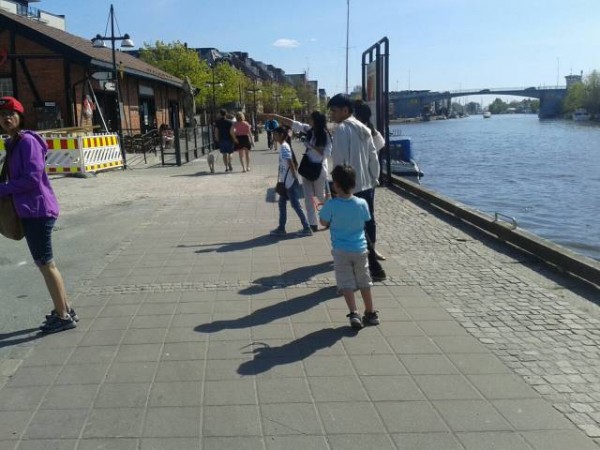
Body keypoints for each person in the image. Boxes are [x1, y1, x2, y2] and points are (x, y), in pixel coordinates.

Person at [0, 96, 77, 334]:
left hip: (37, 210)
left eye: (11, 113)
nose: (6, 118)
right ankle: (65, 309)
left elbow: (32, 178)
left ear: (20, 116)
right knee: (46, 263)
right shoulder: (13, 142)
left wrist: (2, 189)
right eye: (2, 115)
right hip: (31, 209)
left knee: (46, 264)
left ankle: (63, 317)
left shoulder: (26, 142)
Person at [327, 93, 386, 281]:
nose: (332, 115)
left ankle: (371, 269)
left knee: (353, 229)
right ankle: (370, 265)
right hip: (367, 184)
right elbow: (373, 157)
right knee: (366, 224)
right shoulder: (364, 128)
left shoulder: (343, 130)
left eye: (334, 111)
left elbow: (339, 161)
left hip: (350, 186)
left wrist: (337, 187)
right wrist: (374, 178)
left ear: (345, 110)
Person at [319, 164, 379, 329]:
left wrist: (326, 206)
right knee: (364, 281)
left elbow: (323, 222)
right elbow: (366, 219)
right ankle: (370, 312)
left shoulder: (331, 204)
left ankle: (354, 313)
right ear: (353, 184)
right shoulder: (362, 203)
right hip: (360, 249)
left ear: (336, 185)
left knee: (346, 283)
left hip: (340, 251)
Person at [271, 112, 332, 232]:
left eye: (312, 119)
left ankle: (331, 214)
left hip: (319, 169)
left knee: (320, 195)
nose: (309, 121)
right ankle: (312, 224)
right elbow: (294, 124)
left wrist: (311, 146)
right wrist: (276, 116)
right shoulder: (309, 130)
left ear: (317, 121)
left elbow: (327, 153)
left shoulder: (325, 135)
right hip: (307, 167)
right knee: (308, 197)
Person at [353, 100, 387, 261]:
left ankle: (371, 249)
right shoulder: (368, 133)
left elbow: (373, 158)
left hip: (364, 181)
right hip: (360, 180)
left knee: (366, 217)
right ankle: (365, 248)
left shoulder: (371, 134)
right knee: (365, 217)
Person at [270, 126, 312, 237]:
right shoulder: (284, 146)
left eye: (275, 134)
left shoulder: (284, 147)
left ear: (281, 135)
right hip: (286, 182)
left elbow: (290, 162)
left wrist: (295, 178)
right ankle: (281, 228)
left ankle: (307, 227)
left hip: (289, 182)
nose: (273, 136)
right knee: (282, 203)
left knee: (296, 205)